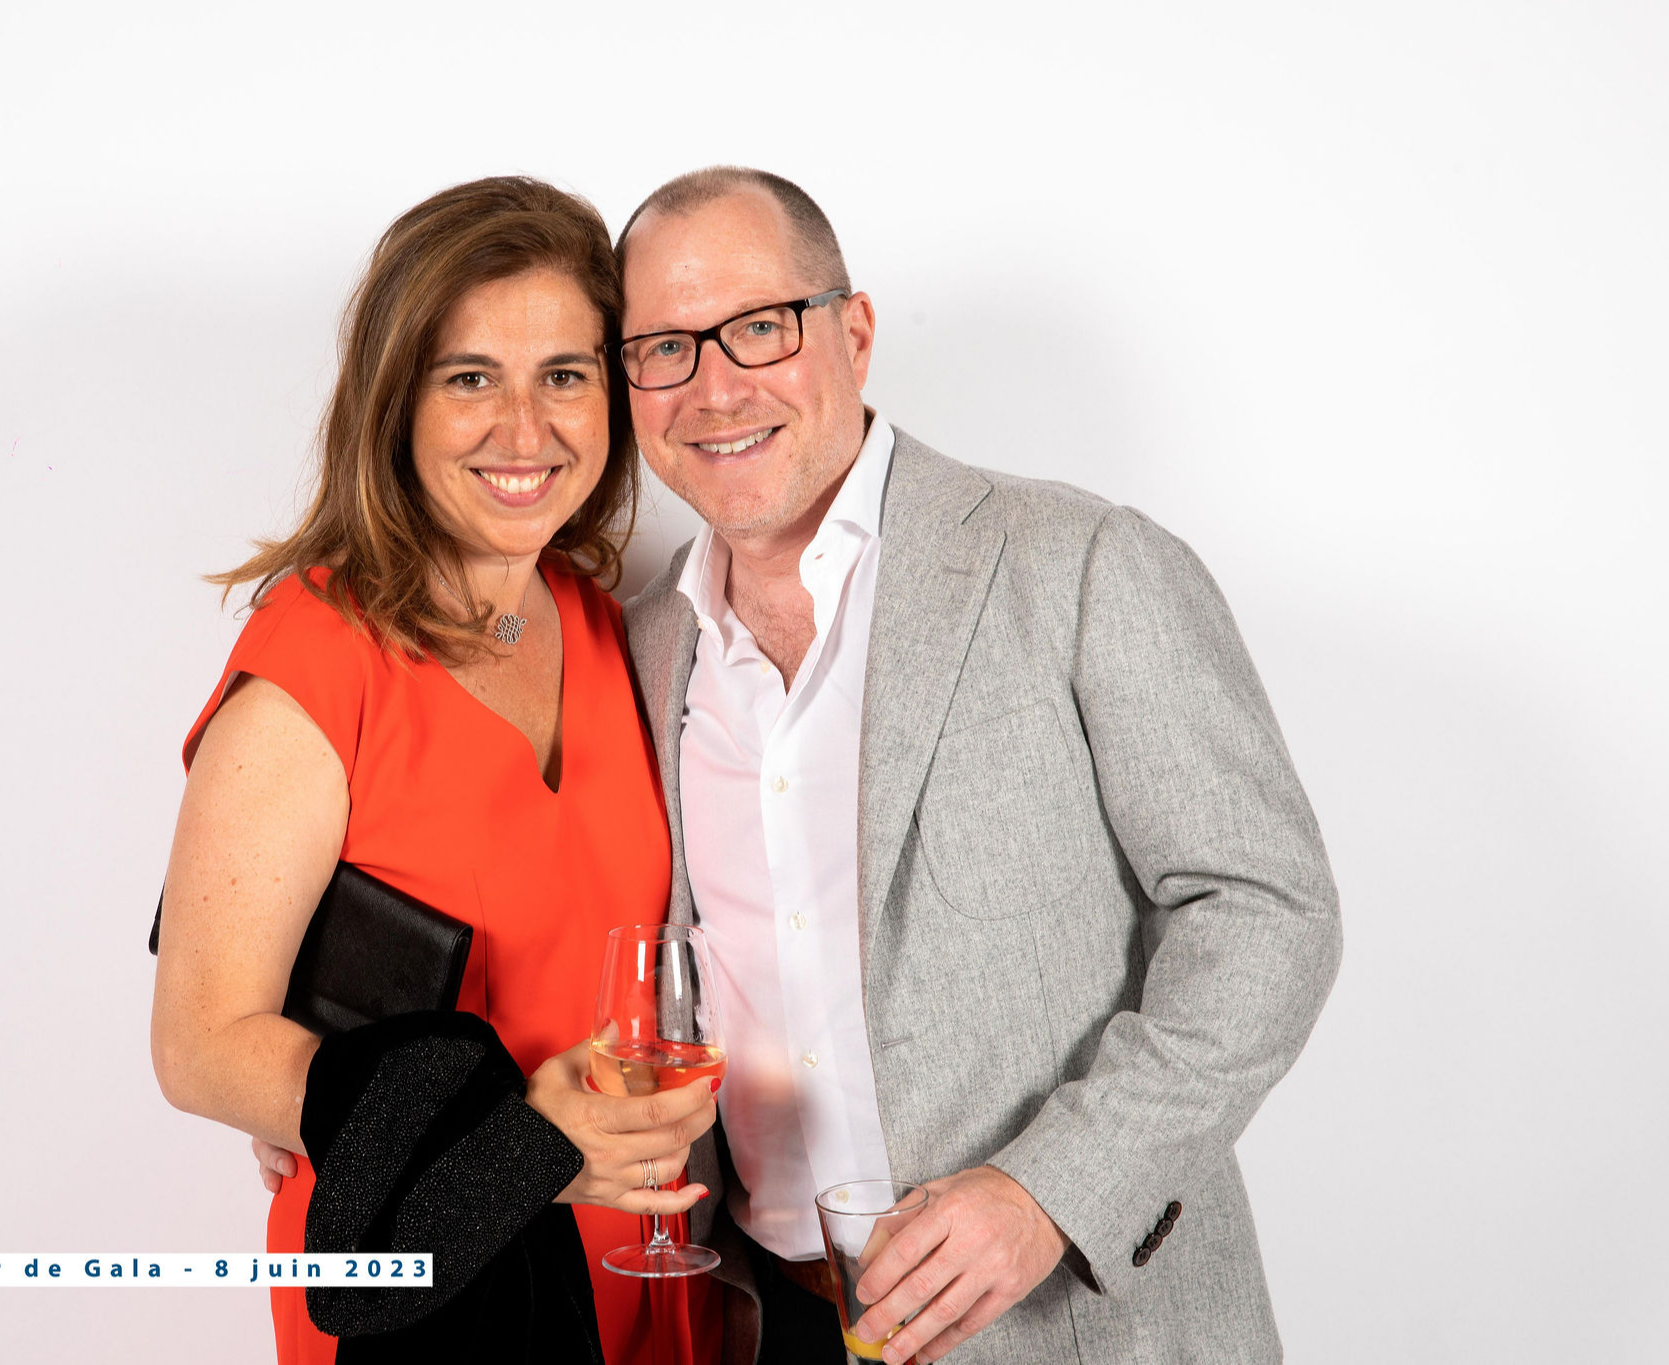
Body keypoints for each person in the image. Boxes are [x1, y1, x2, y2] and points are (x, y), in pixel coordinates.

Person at [611, 168, 1343, 1364]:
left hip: (1075, 1327)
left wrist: (1050, 1188)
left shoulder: (1079, 562)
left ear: (852, 332)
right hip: (769, 1322)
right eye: (663, 349)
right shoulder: (644, 646)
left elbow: (1265, 910)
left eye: (758, 326)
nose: (713, 387)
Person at [151, 175, 721, 1365]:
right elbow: (199, 1046)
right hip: (438, 1291)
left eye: (562, 375)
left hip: (633, 1256)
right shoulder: (317, 659)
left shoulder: (602, 622)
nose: (524, 429)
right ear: (393, 403)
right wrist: (513, 1145)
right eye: (469, 379)